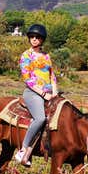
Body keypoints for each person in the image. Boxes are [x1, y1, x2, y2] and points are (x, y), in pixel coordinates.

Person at [14, 23, 58, 166]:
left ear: (42, 40)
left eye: (37, 37)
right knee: (39, 118)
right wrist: (43, 94)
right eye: (31, 37)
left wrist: (55, 92)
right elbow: (28, 79)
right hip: (33, 93)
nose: (34, 39)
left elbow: (52, 75)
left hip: (49, 93)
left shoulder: (46, 56)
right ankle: (23, 149)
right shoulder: (26, 55)